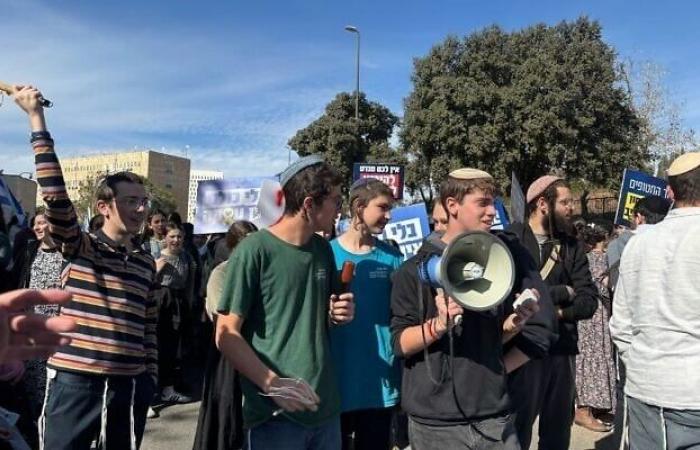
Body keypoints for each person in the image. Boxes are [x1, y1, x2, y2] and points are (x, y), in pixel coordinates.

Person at [13, 85, 158, 450]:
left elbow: (149, 326)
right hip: (74, 382)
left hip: (127, 387)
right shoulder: (81, 247)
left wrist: (149, 377)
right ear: (104, 206)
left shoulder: (145, 263)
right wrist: (36, 119)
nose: (140, 209)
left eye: (144, 201)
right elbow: (55, 195)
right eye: (130, 201)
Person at [391, 168, 557, 450]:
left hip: (494, 418)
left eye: (493, 202)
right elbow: (399, 344)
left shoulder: (504, 257)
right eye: (482, 203)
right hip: (436, 424)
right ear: (452, 205)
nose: (492, 211)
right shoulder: (413, 271)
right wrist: (438, 326)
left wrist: (509, 330)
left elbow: (534, 332)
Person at [215, 155, 355, 450]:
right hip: (274, 416)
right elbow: (226, 334)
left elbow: (318, 316)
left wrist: (338, 313)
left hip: (325, 408)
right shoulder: (254, 250)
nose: (339, 211)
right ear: (308, 204)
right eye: (335, 201)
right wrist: (272, 383)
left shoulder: (322, 250)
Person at [610, 152, 700, 449]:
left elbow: (620, 324)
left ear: (671, 192)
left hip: (646, 389)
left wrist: (641, 363)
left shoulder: (639, 242)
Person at [507, 175, 598, 450]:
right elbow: (510, 296)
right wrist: (561, 293)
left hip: (562, 349)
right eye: (565, 202)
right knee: (516, 429)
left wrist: (546, 312)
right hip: (522, 349)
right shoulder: (512, 240)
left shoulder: (571, 246)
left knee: (557, 432)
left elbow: (587, 302)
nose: (572, 208)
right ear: (543, 204)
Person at [329, 178, 403, 450]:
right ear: (359, 207)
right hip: (335, 385)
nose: (389, 215)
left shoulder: (394, 258)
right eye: (382, 207)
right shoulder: (326, 254)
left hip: (380, 388)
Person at [193, 220, 257, 450]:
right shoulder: (221, 273)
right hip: (229, 354)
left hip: (258, 351)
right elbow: (222, 317)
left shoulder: (262, 271)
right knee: (227, 415)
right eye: (245, 245)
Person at [11, 207, 67, 421]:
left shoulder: (67, 251)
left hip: (58, 327)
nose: (37, 226)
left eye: (42, 222)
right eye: (35, 223)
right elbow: (18, 281)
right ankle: (38, 425)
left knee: (57, 380)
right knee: (34, 380)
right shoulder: (29, 249)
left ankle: (56, 423)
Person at [574, 221, 616, 432]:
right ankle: (584, 410)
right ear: (603, 240)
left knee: (591, 357)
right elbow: (606, 287)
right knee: (594, 357)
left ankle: (594, 404)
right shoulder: (601, 260)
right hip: (596, 316)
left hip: (589, 317)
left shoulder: (584, 260)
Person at [154, 222, 194, 404]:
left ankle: (170, 388)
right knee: (161, 346)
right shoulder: (158, 258)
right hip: (163, 303)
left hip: (180, 303)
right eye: (172, 236)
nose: (176, 240)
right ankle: (156, 392)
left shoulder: (186, 257)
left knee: (176, 347)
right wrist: (156, 270)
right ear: (165, 238)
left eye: (179, 236)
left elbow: (189, 283)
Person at [606, 195, 671, 268]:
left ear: (639, 217)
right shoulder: (674, 242)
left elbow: (615, 277)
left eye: (632, 215)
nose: (630, 218)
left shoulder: (617, 245)